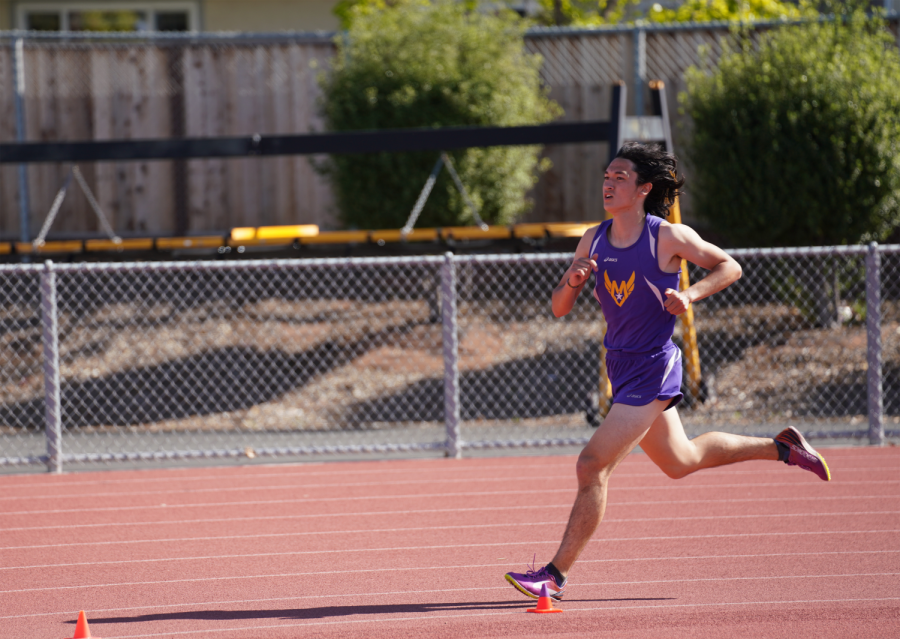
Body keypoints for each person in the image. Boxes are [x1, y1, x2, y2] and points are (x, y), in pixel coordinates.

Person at [504, 142, 831, 601]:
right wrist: (573, 281)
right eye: (607, 176)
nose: (609, 182)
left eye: (620, 177)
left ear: (643, 189)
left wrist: (690, 296)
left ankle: (553, 576)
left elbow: (729, 266)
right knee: (683, 462)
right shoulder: (592, 239)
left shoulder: (666, 237)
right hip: (620, 367)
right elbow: (560, 308)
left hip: (653, 369)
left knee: (591, 465)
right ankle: (782, 447)